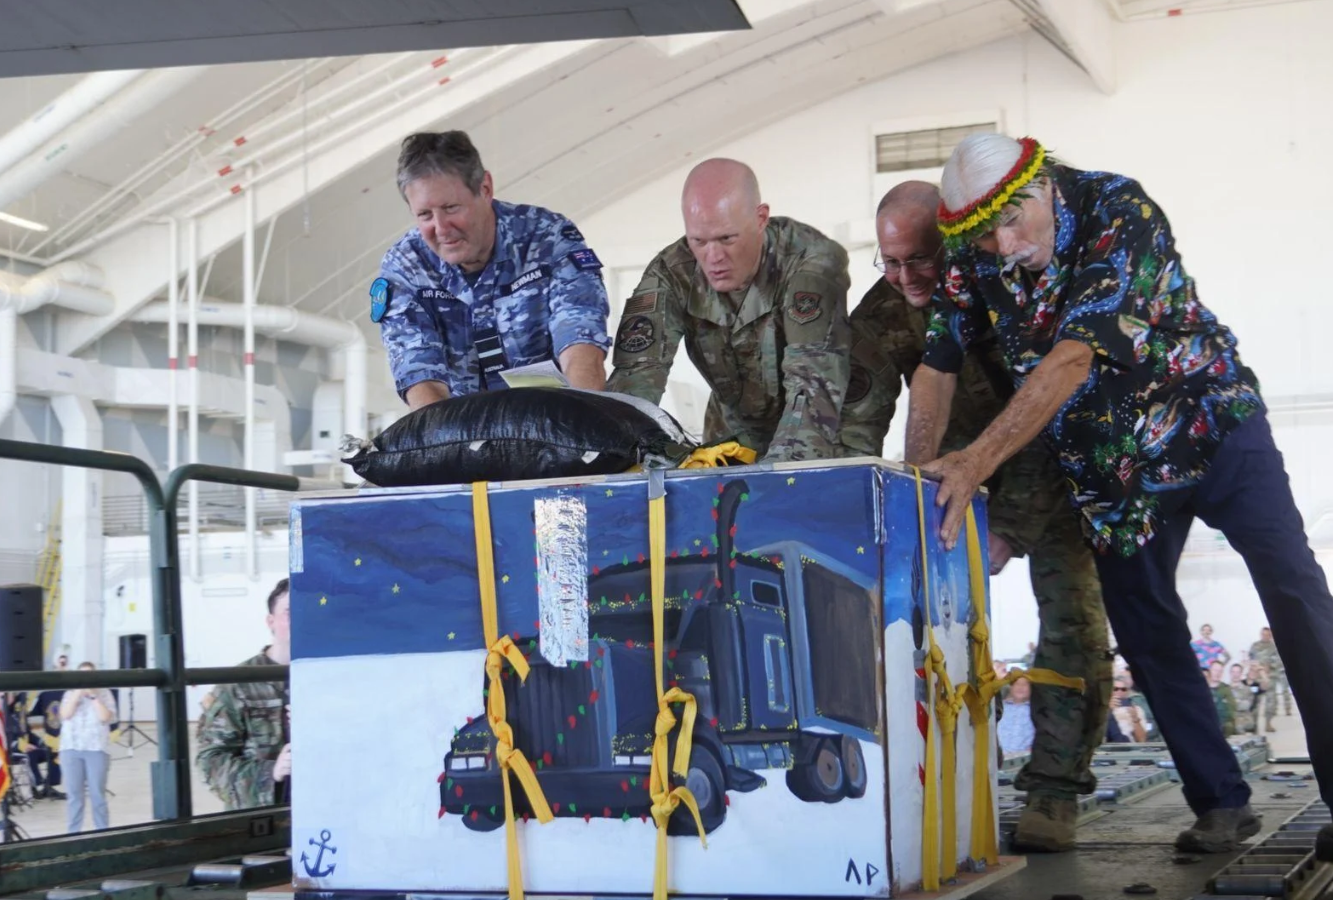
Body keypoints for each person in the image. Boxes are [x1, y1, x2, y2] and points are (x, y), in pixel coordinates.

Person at [904, 132, 1333, 856]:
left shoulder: (1117, 210)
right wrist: (916, 479)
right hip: (1111, 474)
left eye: (1014, 223)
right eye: (984, 235)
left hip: (1208, 426)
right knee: (1145, 630)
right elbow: (936, 365)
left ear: (1042, 189)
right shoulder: (976, 256)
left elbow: (1073, 359)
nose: (1003, 245)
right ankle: (1219, 804)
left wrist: (974, 459)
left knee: (1293, 591)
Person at [836, 181, 1111, 852]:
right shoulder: (881, 313)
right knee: (927, 623)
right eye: (890, 261)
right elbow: (859, 416)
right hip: (954, 469)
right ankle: (953, 776)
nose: (907, 278)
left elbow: (1051, 408)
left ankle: (1053, 788)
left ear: (956, 242)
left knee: (1071, 619)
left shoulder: (1005, 288)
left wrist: (1012, 528)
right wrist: (866, 510)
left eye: (921, 259)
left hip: (1056, 458)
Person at [607, 158, 851, 461]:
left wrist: (782, 476)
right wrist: (619, 461)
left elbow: (813, 382)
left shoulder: (810, 262)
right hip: (733, 431)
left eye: (727, 239)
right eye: (698, 241)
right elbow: (634, 383)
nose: (713, 257)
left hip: (822, 430)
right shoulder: (671, 272)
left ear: (761, 218)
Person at [375, 131, 611, 409]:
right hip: (461, 426)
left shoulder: (548, 238)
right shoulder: (406, 266)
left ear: (485, 188)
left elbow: (580, 338)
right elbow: (418, 373)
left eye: (451, 208)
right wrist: (449, 444)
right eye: (424, 215)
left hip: (552, 418)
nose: (441, 229)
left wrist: (586, 420)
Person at [197, 578, 292, 809]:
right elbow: (210, 763)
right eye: (291, 612)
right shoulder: (239, 685)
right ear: (271, 622)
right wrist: (272, 772)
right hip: (265, 823)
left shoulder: (336, 681)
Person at [59, 663, 114, 832]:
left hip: (96, 748)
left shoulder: (104, 693)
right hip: (71, 748)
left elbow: (106, 717)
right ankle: (73, 834)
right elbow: (65, 714)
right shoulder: (69, 693)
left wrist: (93, 696)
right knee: (74, 795)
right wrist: (77, 693)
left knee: (97, 794)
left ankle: (102, 832)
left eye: (88, 675)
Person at [1249, 627, 1289, 719]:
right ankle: (1253, 722)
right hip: (1257, 678)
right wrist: (1256, 667)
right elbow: (1251, 657)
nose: (1265, 636)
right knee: (1254, 699)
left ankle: (1268, 722)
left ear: (1270, 636)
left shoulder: (1274, 647)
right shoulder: (1255, 646)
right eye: (1263, 634)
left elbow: (1279, 661)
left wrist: (1270, 666)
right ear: (1260, 634)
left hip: (1270, 678)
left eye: (1267, 635)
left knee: (1271, 701)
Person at [997, 677, 1035, 754]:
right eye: (1017, 684)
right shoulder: (1001, 707)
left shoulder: (1035, 710)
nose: (1020, 687)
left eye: (1024, 684)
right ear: (1011, 687)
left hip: (1025, 757)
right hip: (999, 757)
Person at [1110, 677, 1147, 742]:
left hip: (1129, 747)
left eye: (1123, 689)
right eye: (1115, 689)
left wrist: (1135, 719)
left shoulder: (1136, 709)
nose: (1119, 692)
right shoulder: (1101, 707)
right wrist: (1108, 710)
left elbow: (1142, 740)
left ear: (1127, 692)